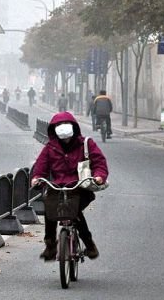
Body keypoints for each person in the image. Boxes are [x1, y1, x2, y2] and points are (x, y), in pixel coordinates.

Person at [31, 111, 108, 261]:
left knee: (75, 212)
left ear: (74, 128)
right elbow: (41, 166)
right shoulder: (50, 148)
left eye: (65, 125)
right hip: (58, 187)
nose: (62, 128)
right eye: (58, 125)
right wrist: (37, 178)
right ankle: (50, 245)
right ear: (54, 130)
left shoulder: (86, 144)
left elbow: (99, 162)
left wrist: (99, 176)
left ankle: (89, 244)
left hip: (80, 186)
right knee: (50, 209)